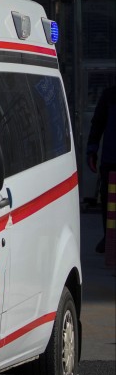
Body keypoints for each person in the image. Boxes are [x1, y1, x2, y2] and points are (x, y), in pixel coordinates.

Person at [86, 84, 116, 254]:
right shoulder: (110, 95)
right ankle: (109, 237)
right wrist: (92, 150)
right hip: (111, 162)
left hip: (110, 159)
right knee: (109, 202)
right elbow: (98, 123)